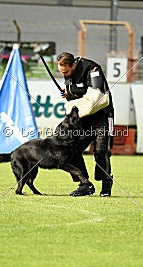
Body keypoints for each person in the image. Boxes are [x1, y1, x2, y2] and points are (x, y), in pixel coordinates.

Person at [57, 52, 114, 197]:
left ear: (74, 64)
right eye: (61, 72)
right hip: (83, 118)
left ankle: (106, 183)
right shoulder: (67, 75)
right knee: (71, 147)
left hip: (102, 115)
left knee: (101, 150)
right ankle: (85, 184)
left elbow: (97, 99)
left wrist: (74, 104)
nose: (64, 75)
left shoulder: (92, 69)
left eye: (66, 71)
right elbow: (76, 93)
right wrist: (68, 95)